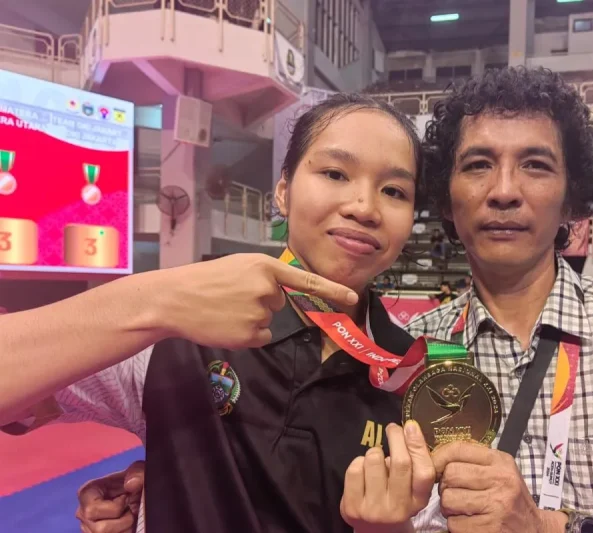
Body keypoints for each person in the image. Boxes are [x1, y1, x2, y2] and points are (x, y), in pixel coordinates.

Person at [80, 68, 593, 533]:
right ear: (445, 200)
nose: (504, 190)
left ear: (571, 198)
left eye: (535, 164)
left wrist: (551, 526)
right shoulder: (406, 355)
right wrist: (176, 463)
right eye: (477, 165)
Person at [0, 93, 432, 533]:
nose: (364, 207)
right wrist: (157, 302)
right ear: (283, 192)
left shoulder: (415, 374)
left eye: (394, 190)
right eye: (335, 173)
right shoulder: (175, 332)